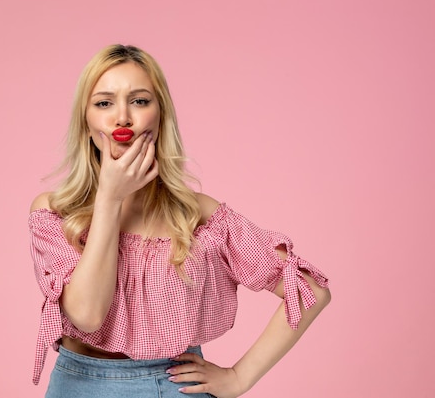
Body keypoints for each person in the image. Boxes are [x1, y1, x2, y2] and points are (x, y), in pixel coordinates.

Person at [28, 44, 331, 398]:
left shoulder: (198, 215)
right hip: (78, 385)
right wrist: (110, 198)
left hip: (173, 388)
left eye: (139, 101)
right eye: (104, 103)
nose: (122, 117)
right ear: (86, 119)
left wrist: (238, 378)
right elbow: (88, 315)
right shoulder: (55, 212)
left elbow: (312, 289)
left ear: (160, 115)